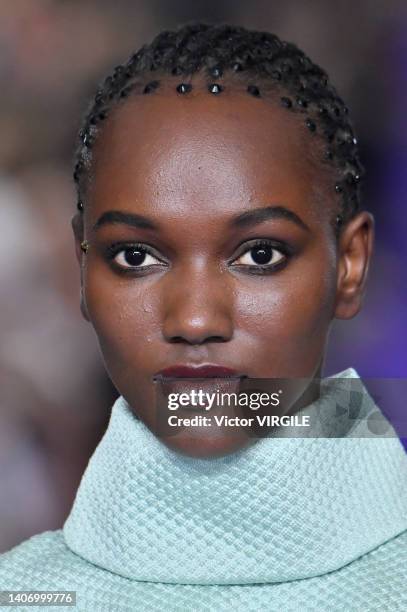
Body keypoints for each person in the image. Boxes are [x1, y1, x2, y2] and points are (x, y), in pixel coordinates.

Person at [0, 22, 406, 611]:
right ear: (80, 270)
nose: (194, 319)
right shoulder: (26, 596)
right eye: (135, 257)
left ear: (350, 264)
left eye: (260, 255)